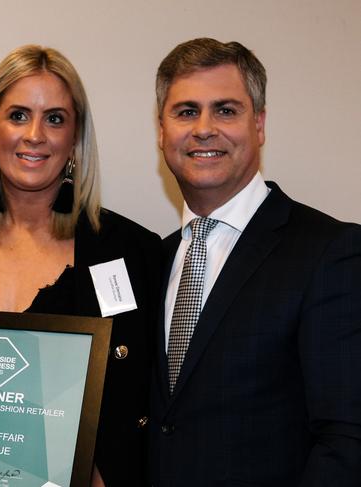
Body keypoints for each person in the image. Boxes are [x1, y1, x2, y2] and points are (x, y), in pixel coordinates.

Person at [0, 45, 161, 487]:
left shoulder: (128, 251)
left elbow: (140, 399)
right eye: (18, 115)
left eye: (55, 118)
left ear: (75, 136)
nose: (35, 134)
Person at [150, 37, 361, 486]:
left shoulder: (330, 252)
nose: (204, 128)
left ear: (259, 124)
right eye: (186, 111)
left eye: (226, 110)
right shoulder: (153, 259)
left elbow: (347, 440)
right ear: (161, 130)